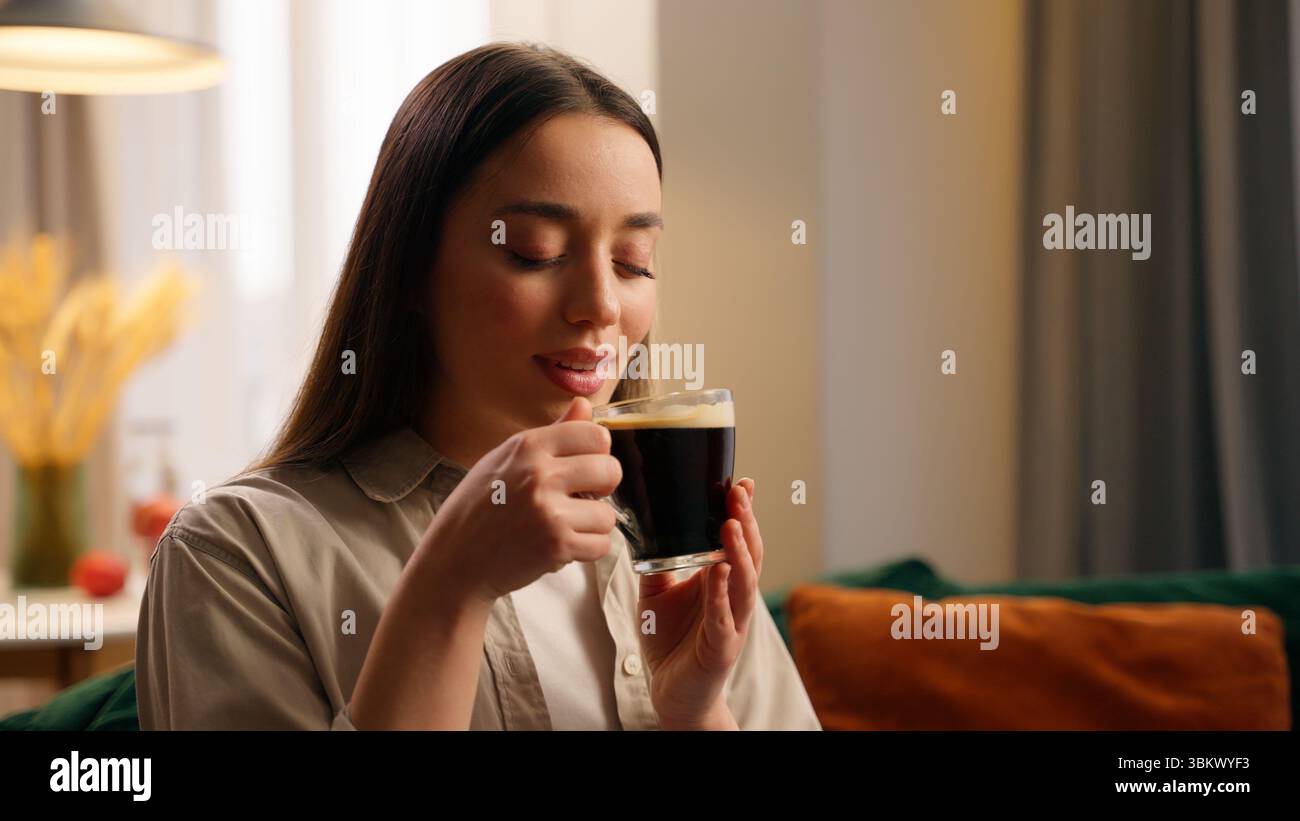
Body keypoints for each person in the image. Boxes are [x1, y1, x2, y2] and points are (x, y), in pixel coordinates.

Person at [135, 42, 821, 731]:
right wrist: (450, 587)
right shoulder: (236, 553)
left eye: (632, 261)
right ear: (410, 269)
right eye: (535, 252)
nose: (602, 305)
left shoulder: (672, 547)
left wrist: (697, 709)